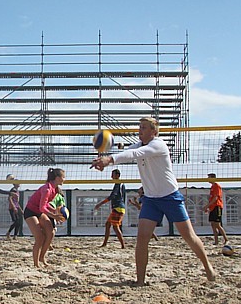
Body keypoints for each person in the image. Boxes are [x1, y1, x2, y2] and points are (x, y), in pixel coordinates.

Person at [91, 117, 216, 286]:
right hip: (150, 199)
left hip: (170, 197)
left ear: (154, 131)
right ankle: (140, 281)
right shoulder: (139, 146)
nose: (139, 130)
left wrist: (109, 160)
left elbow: (134, 154)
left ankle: (208, 267)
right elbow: (128, 153)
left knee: (188, 236)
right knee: (142, 238)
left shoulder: (158, 145)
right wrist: (105, 160)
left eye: (143, 127)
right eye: (139, 127)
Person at [24, 168, 66, 268]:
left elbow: (45, 205)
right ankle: (36, 264)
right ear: (57, 178)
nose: (64, 179)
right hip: (30, 212)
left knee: (51, 233)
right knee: (40, 237)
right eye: (63, 177)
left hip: (39, 212)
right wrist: (54, 216)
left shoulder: (55, 190)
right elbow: (42, 208)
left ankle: (42, 257)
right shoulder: (47, 189)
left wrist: (54, 211)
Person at [94, 168, 126, 248]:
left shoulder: (118, 184)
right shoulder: (121, 184)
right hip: (119, 207)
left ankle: (123, 245)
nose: (111, 176)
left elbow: (112, 196)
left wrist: (100, 204)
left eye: (113, 174)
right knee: (108, 224)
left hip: (118, 208)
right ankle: (105, 243)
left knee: (115, 227)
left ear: (117, 175)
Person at [203, 173, 229, 245]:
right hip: (212, 208)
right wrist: (208, 207)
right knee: (212, 224)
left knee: (217, 224)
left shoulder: (217, 186)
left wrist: (207, 206)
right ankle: (216, 241)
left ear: (213, 178)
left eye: (209, 177)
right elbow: (212, 198)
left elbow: (215, 198)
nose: (208, 179)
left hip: (217, 207)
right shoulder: (212, 187)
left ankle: (226, 239)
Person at [5, 174, 24, 240]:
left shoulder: (17, 190)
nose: (19, 184)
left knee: (18, 222)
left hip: (16, 207)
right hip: (12, 208)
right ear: (15, 184)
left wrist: (20, 209)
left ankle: (15, 235)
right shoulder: (13, 190)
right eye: (18, 183)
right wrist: (14, 207)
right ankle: (9, 233)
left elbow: (16, 202)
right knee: (16, 221)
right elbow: (9, 198)